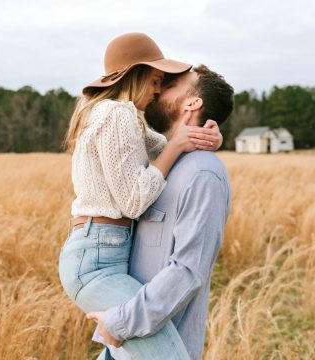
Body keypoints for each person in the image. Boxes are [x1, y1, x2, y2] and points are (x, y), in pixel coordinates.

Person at [58, 33, 223, 360]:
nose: (159, 90)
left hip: (100, 252)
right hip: (96, 260)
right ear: (136, 76)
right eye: (156, 80)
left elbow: (166, 148)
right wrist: (177, 145)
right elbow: (134, 201)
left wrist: (203, 136)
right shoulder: (116, 115)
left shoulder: (117, 116)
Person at [88, 64, 234, 360]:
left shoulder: (203, 174)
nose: (156, 88)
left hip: (156, 349)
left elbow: (188, 271)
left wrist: (120, 323)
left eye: (169, 84)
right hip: (122, 349)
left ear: (192, 103)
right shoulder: (161, 162)